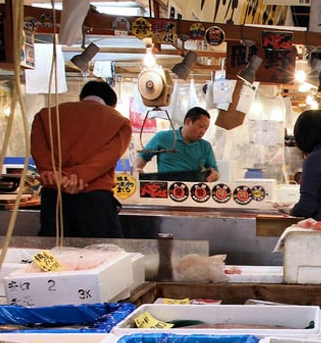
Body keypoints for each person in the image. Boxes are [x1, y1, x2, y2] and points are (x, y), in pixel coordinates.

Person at [30, 80, 131, 238]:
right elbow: (104, 160)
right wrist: (76, 177)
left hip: (55, 197)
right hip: (96, 202)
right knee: (104, 257)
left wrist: (60, 177)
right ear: (112, 105)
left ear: (81, 97)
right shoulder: (120, 122)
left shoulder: (44, 116)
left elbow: (39, 152)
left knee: (54, 256)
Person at [135, 106, 219, 182]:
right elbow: (143, 156)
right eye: (201, 126)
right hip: (165, 190)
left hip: (194, 192)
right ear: (188, 121)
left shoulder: (205, 146)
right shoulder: (162, 137)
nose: (203, 132)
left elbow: (215, 171)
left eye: (206, 129)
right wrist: (137, 169)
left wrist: (214, 175)